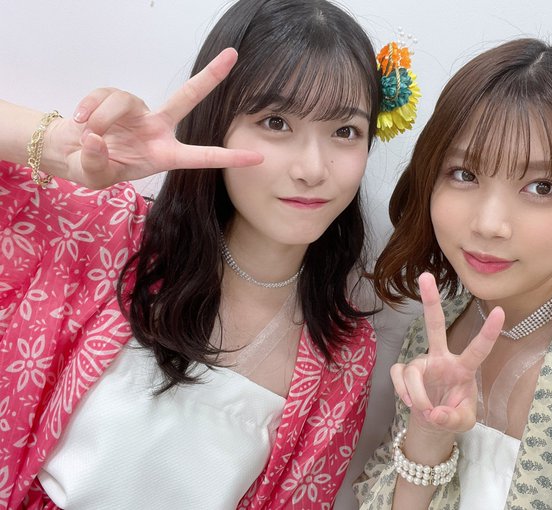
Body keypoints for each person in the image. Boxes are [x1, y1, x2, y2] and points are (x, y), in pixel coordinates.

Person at [0, 0, 412, 506]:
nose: (312, 169)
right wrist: (63, 148)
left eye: (345, 132)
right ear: (216, 121)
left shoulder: (341, 352)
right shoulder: (111, 234)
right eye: (276, 122)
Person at [354, 38, 552, 509]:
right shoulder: (434, 335)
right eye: (464, 174)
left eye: (542, 187)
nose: (489, 224)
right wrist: (427, 437)